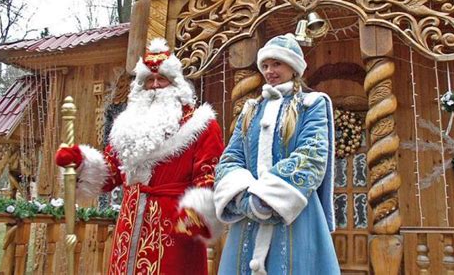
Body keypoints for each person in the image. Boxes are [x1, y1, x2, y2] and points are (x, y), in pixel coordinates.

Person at [55, 38, 224, 275]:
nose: (154, 86)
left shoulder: (200, 124)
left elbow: (210, 175)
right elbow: (110, 174)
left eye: (161, 79)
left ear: (175, 84)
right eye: (148, 81)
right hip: (129, 221)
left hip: (174, 228)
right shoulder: (127, 126)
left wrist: (194, 218)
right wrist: (79, 163)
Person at [214, 33, 340, 275]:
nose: (270, 70)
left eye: (277, 64)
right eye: (265, 65)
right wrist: (244, 199)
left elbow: (312, 155)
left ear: (293, 68)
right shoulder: (250, 110)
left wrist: (268, 199)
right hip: (247, 214)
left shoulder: (311, 105)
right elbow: (231, 157)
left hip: (295, 214)